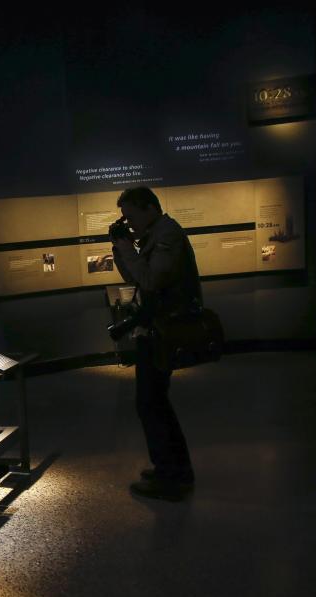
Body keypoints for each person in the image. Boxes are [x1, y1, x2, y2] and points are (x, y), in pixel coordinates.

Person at [111, 187, 202, 501]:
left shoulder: (167, 235)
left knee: (151, 403)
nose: (128, 223)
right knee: (153, 402)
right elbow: (134, 277)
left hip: (164, 331)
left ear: (149, 208)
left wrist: (128, 247)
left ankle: (171, 475)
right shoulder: (156, 234)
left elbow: (151, 281)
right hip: (155, 330)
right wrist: (120, 248)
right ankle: (173, 467)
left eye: (130, 216)